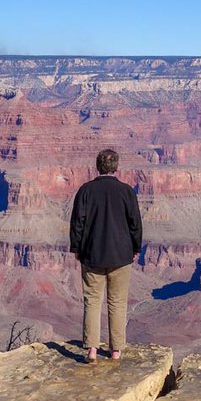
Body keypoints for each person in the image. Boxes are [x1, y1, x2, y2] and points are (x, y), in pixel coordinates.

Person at [69, 148, 143, 363]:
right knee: (117, 302)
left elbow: (77, 223)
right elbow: (135, 224)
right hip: (121, 255)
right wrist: (135, 247)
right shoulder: (126, 191)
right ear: (116, 167)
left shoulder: (85, 191)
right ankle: (116, 351)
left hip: (92, 254)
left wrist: (77, 248)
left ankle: (91, 350)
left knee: (92, 301)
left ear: (97, 166)